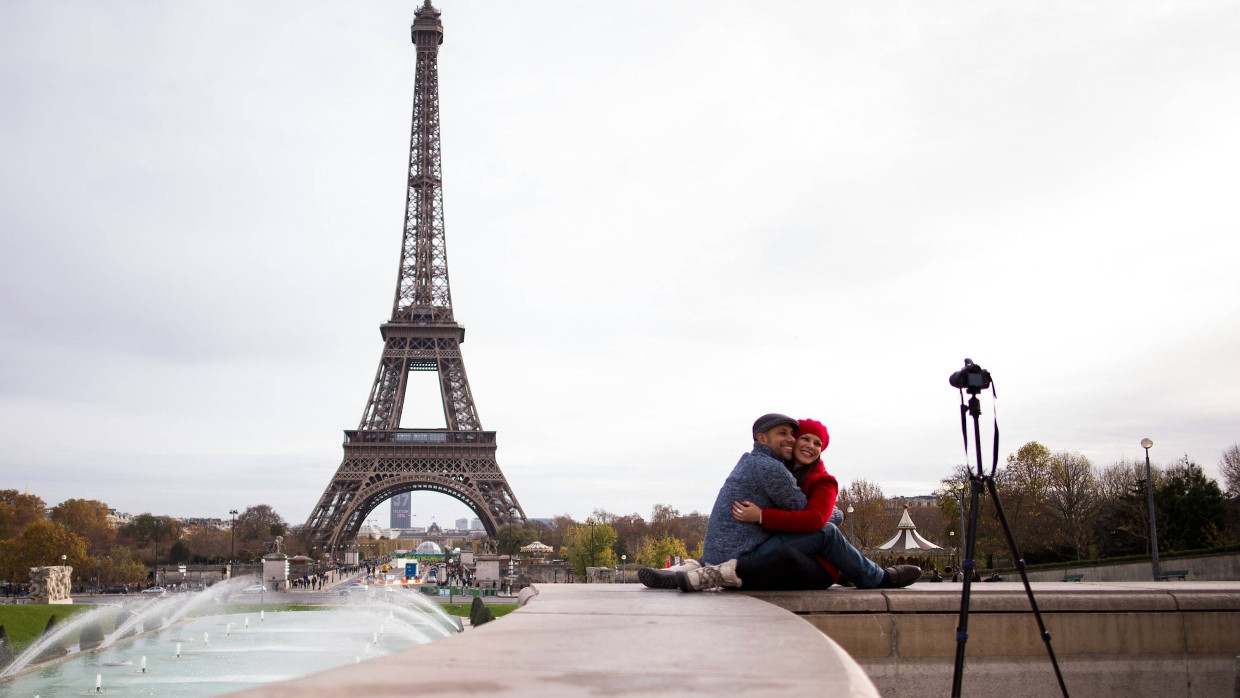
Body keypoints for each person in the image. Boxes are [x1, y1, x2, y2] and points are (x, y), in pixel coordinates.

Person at [641, 414, 920, 592]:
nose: (792, 440)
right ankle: (876, 578)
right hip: (749, 555)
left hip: (737, 551)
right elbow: (809, 517)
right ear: (762, 438)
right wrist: (836, 515)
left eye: (793, 434)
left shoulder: (753, 462)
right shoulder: (772, 469)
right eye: (785, 435)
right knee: (826, 532)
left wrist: (763, 516)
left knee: (817, 535)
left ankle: (693, 569)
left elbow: (807, 517)